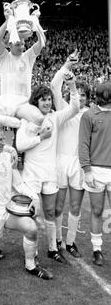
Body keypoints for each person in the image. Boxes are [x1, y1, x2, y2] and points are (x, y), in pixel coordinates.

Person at [16, 69, 79, 263]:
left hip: (50, 173)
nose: (46, 103)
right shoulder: (27, 119)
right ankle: (32, 251)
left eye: (49, 99)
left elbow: (75, 108)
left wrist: (72, 86)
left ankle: (53, 249)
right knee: (32, 214)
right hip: (32, 174)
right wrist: (40, 137)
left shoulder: (55, 117)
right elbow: (20, 146)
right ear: (36, 101)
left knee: (50, 212)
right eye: (43, 100)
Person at [0, 124, 53, 280]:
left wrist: (34, 197)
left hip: (7, 210)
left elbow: (19, 184)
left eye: (4, 139)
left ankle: (31, 265)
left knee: (31, 228)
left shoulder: (7, 157)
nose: (3, 143)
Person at [51, 52, 89, 257]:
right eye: (78, 94)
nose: (80, 98)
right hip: (60, 161)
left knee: (75, 206)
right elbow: (55, 85)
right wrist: (66, 66)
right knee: (58, 206)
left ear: (88, 98)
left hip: (79, 164)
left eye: (84, 95)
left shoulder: (91, 114)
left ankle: (71, 241)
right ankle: (56, 240)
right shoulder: (64, 107)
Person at [0, 8, 46, 126]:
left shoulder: (28, 56)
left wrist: (35, 22)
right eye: (18, 44)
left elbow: (42, 42)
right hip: (5, 103)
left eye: (23, 44)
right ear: (10, 45)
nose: (22, 47)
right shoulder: (4, 57)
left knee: (38, 120)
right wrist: (8, 20)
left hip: (24, 103)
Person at [79, 81, 111, 266]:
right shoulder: (88, 115)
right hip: (96, 171)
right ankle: (96, 249)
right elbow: (83, 144)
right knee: (97, 211)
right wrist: (87, 170)